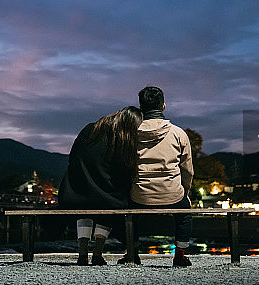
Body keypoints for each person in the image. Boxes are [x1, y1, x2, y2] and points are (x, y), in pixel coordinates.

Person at [119, 85, 194, 267]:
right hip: (172, 194)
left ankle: (133, 253)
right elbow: (188, 170)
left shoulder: (130, 135)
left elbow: (124, 167)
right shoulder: (178, 133)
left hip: (140, 194)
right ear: (163, 107)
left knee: (131, 212)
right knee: (185, 213)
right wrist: (185, 191)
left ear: (141, 108)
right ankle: (180, 256)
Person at [58, 106, 144, 265]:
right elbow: (122, 173)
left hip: (74, 193)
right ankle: (97, 255)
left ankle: (82, 255)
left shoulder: (90, 129)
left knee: (86, 209)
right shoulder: (120, 139)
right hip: (103, 198)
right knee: (111, 203)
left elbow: (73, 158)